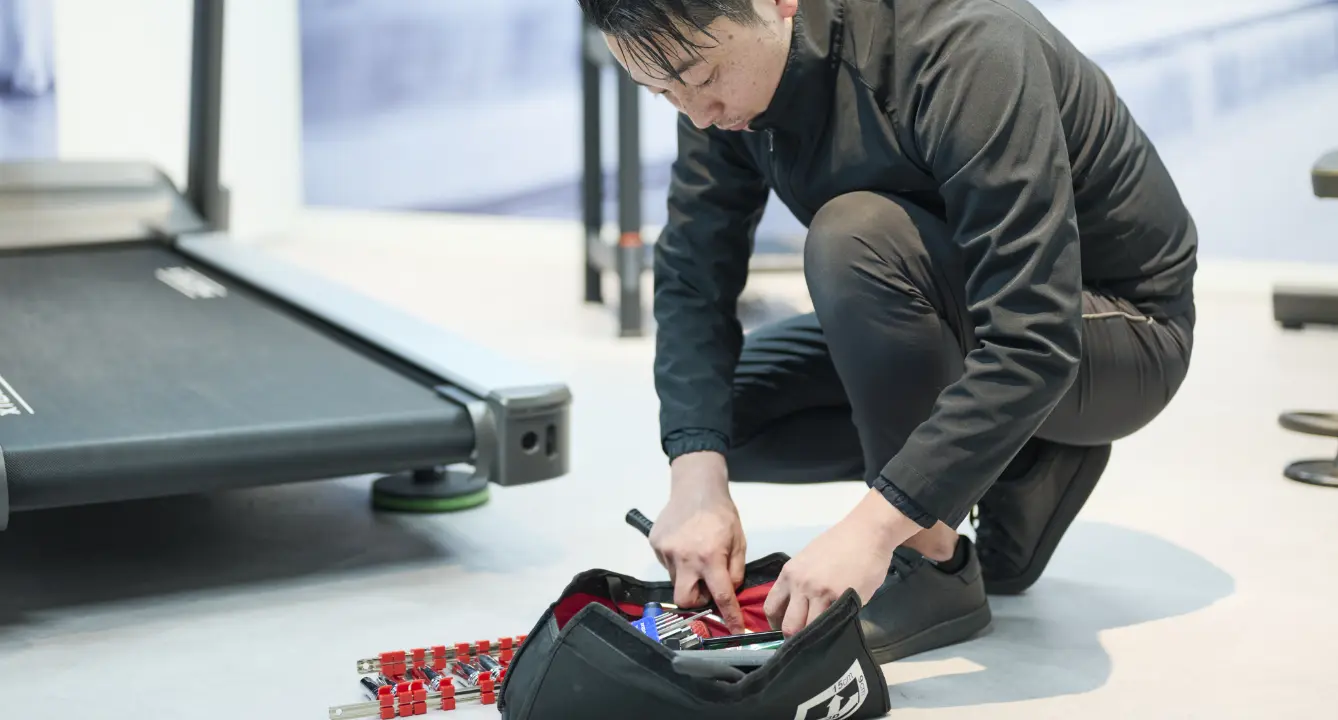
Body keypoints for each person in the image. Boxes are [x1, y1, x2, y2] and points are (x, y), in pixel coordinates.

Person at [578, 0, 1196, 663]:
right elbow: (693, 275)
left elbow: (1034, 337)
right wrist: (696, 482)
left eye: (701, 78)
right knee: (719, 422)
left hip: (1113, 331)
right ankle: (1020, 457)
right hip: (958, 308)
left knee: (854, 238)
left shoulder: (966, 45)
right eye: (662, 92)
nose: (697, 114)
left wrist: (874, 530)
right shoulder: (709, 76)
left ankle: (930, 561)